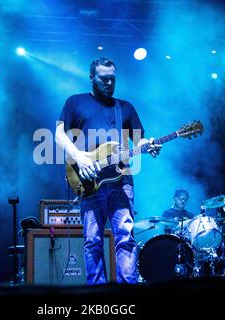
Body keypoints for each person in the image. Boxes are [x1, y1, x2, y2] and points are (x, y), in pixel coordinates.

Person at [55, 57, 161, 284]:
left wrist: (148, 145)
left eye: (113, 79)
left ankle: (128, 293)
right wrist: (80, 158)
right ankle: (96, 294)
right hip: (89, 181)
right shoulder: (75, 102)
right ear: (91, 77)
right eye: (104, 79)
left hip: (122, 181)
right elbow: (59, 134)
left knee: (125, 238)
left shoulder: (125, 107)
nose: (109, 84)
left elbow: (139, 141)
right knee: (92, 240)